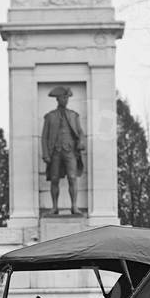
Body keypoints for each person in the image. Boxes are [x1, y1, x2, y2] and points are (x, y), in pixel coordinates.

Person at [41, 85, 86, 215]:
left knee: (72, 177)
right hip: (55, 152)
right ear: (58, 99)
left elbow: (80, 133)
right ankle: (54, 207)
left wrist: (81, 142)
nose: (65, 100)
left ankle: (74, 206)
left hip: (70, 151)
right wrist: (45, 153)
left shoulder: (73, 115)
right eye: (63, 97)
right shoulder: (50, 116)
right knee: (54, 179)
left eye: (67, 97)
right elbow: (44, 137)